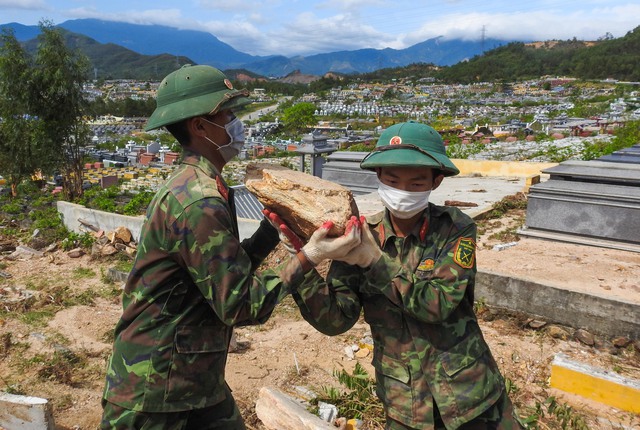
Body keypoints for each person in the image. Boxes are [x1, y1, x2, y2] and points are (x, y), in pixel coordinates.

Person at [100, 64, 359, 429]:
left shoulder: (202, 184)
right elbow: (239, 304)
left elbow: (221, 272)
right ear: (200, 126)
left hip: (193, 376)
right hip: (154, 387)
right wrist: (309, 256)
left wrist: (270, 233)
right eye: (228, 114)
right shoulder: (198, 201)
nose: (237, 124)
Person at [291, 121, 524, 429]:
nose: (402, 191)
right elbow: (337, 320)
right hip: (406, 405)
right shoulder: (360, 236)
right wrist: (305, 260)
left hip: (472, 395)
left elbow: (436, 304)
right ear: (379, 177)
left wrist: (375, 260)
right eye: (392, 180)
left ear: (436, 181)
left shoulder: (455, 229)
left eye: (416, 183)